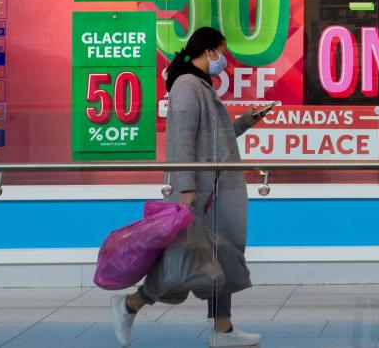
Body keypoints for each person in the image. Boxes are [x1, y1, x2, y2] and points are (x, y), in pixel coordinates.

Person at [110, 27, 270, 347]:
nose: (223, 59)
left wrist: (247, 120)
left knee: (222, 260)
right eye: (220, 52)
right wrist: (186, 189)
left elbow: (214, 141)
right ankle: (130, 305)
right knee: (186, 263)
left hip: (217, 191)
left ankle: (222, 330)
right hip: (203, 194)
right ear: (207, 51)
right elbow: (181, 140)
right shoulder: (186, 86)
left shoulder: (199, 85)